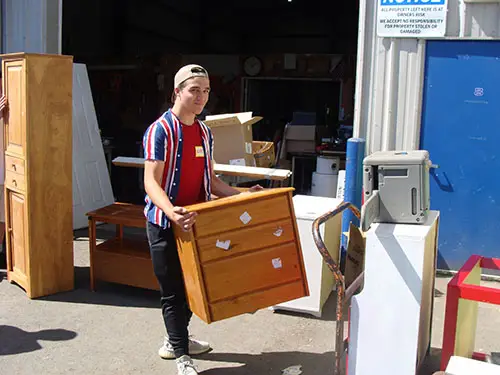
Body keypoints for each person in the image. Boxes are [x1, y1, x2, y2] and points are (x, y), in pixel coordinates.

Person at [142, 64, 261, 375]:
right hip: (165, 223)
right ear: (177, 91)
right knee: (173, 291)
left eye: (206, 91)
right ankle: (181, 356)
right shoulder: (161, 130)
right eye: (194, 89)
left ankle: (175, 340)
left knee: (196, 286)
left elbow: (212, 180)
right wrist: (171, 211)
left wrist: (243, 195)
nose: (201, 96)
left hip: (197, 222)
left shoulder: (205, 132)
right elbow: (150, 181)